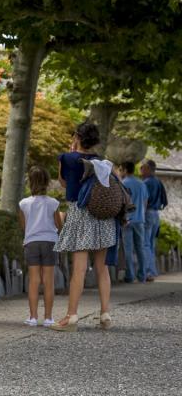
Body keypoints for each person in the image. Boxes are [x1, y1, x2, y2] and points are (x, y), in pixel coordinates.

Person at [51, 121, 116, 332]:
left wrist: (71, 152)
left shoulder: (67, 158)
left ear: (77, 137)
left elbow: (63, 183)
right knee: (102, 268)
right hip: (103, 216)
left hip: (80, 213)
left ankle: (71, 316)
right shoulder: (103, 163)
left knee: (78, 269)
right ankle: (105, 313)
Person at [18, 166, 62, 327]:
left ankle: (33, 317)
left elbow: (24, 226)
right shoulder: (53, 203)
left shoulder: (23, 204)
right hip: (50, 241)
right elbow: (59, 224)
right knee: (48, 281)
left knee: (34, 280)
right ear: (47, 182)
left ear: (30, 182)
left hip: (31, 242)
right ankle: (49, 318)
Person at [118, 162, 148, 283]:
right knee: (140, 248)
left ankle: (130, 276)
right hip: (140, 219)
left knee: (128, 249)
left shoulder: (123, 183)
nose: (120, 171)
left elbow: (121, 203)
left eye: (121, 169)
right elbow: (145, 202)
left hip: (127, 220)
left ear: (125, 170)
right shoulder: (142, 184)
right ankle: (142, 276)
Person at [140, 159, 168, 281]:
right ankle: (152, 271)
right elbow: (165, 201)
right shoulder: (158, 181)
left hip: (148, 213)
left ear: (148, 168)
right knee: (151, 244)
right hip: (156, 214)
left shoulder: (146, 183)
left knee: (145, 244)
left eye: (142, 167)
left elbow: (144, 201)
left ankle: (148, 272)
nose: (141, 170)